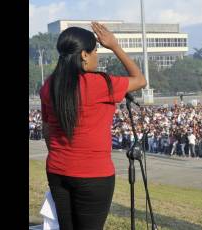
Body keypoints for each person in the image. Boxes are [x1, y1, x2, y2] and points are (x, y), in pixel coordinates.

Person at [40, 22, 147, 230]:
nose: (97, 55)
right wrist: (114, 46)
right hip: (93, 174)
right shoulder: (98, 84)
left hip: (57, 170)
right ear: (84, 55)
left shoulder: (49, 84)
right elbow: (140, 79)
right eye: (95, 50)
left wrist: (63, 157)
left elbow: (47, 130)